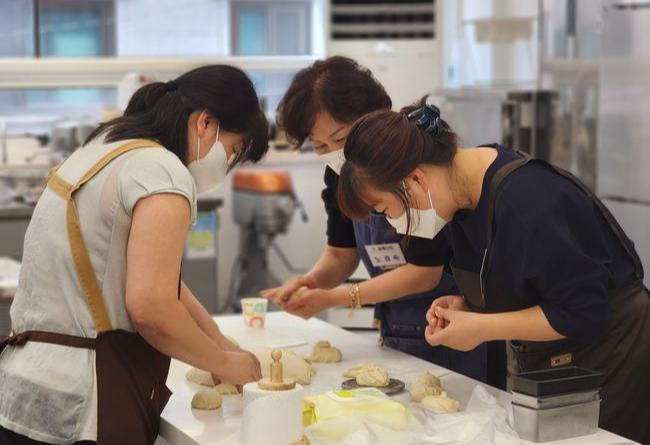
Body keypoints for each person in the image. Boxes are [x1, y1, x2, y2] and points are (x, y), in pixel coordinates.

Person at [336, 103, 650, 444]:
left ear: (415, 179)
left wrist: (481, 327)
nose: (394, 224)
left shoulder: (527, 201)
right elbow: (519, 278)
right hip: (555, 356)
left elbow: (582, 310)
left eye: (385, 210)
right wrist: (466, 305)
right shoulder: (457, 199)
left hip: (612, 353)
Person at [0, 65, 267, 445]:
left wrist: (220, 344)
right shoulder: (162, 171)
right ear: (206, 122)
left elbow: (161, 283)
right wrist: (222, 363)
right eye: (233, 150)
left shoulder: (102, 148)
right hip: (82, 404)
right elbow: (151, 308)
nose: (226, 164)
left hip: (25, 393)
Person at [262, 56, 489, 384]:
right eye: (320, 145)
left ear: (374, 115)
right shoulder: (339, 171)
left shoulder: (408, 161)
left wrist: (336, 298)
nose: (334, 152)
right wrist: (311, 282)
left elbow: (425, 271)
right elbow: (341, 253)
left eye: (340, 139)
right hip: (395, 322)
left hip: (449, 319)